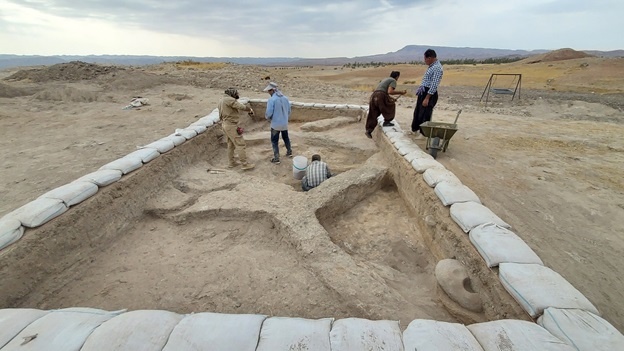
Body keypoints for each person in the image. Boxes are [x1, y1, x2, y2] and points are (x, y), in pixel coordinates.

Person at [218, 88, 255, 170]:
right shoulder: (229, 100)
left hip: (225, 124)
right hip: (231, 125)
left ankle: (232, 162)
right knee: (240, 144)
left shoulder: (221, 100)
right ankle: (244, 164)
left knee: (231, 144)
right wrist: (249, 109)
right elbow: (240, 106)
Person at [411, 49, 444, 138]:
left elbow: (434, 84)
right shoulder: (431, 66)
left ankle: (423, 134)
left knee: (425, 113)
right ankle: (415, 130)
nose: (424, 60)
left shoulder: (437, 68)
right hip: (423, 91)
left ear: (429, 58)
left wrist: (427, 98)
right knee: (418, 112)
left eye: (425, 59)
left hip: (429, 93)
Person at [365, 71, 407, 139]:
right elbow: (390, 91)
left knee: (373, 113)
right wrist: (401, 92)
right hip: (381, 96)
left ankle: (369, 130)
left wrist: (390, 98)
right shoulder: (393, 80)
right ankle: (387, 121)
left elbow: (383, 92)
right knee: (390, 106)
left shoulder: (385, 79)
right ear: (397, 77)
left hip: (374, 96)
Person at [264, 81, 292, 164]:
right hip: (284, 123)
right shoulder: (285, 98)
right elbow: (289, 111)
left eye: (269, 91)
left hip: (276, 124)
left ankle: (276, 158)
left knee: (274, 141)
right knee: (286, 137)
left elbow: (269, 113)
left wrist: (268, 118)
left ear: (272, 90)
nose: (268, 93)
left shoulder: (272, 100)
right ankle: (289, 152)